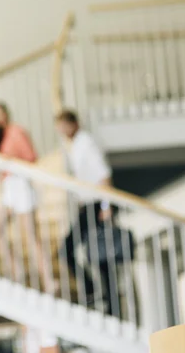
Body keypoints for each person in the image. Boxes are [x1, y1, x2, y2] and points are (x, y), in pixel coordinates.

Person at [0, 101, 55, 293]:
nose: (1, 118)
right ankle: (16, 269)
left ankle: (48, 280)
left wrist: (12, 161)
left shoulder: (16, 131)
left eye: (2, 113)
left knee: (32, 236)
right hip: (10, 187)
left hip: (20, 183)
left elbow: (31, 156)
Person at [55, 109, 117, 315]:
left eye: (63, 126)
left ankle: (100, 296)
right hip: (88, 205)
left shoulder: (86, 142)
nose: (61, 131)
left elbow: (103, 175)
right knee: (94, 254)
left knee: (89, 252)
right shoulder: (75, 145)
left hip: (97, 205)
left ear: (73, 124)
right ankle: (99, 295)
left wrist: (107, 207)